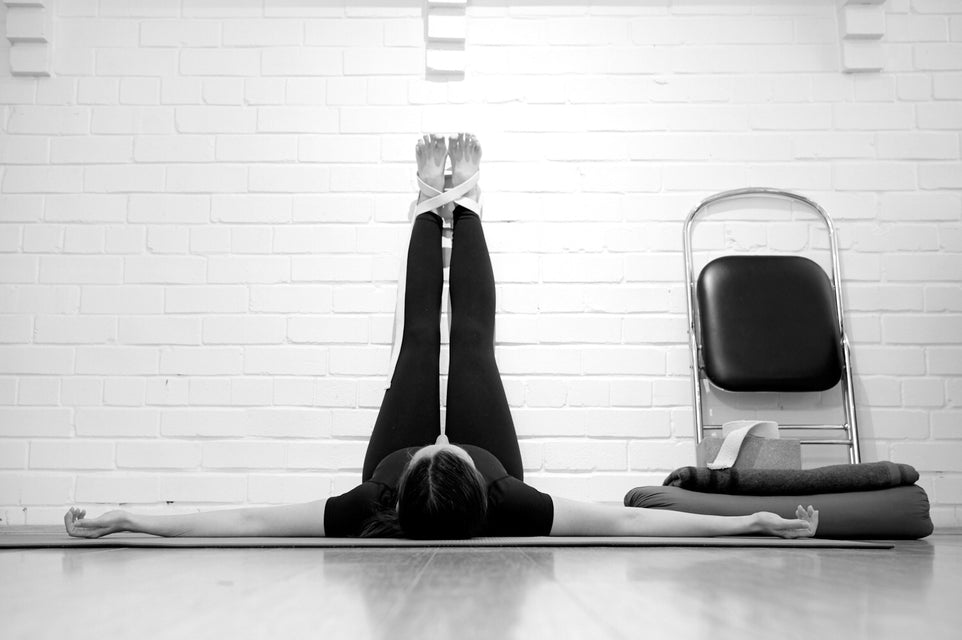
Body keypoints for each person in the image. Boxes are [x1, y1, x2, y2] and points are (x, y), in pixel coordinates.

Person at [64, 134, 818, 541]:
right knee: (477, 343)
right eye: (444, 448)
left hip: (400, 479)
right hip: (487, 475)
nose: (440, 433)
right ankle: (469, 205)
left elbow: (245, 521)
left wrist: (130, 515)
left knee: (422, 343)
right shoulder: (512, 499)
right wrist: (749, 521)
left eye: (435, 445)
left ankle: (432, 203)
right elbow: (628, 524)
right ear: (472, 476)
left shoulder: (371, 497)